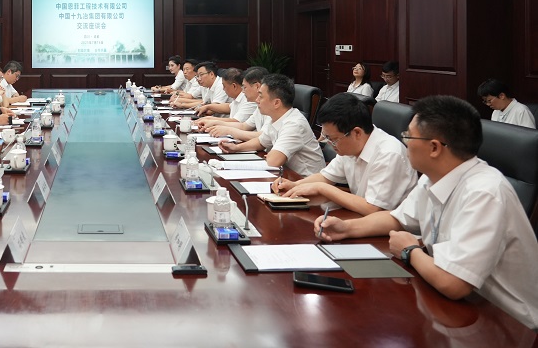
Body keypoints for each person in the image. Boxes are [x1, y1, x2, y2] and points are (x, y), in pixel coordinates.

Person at [316, 95, 538, 331]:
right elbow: (396, 218)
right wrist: (346, 228)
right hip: (453, 307)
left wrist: (409, 251)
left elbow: (454, 283)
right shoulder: (433, 177)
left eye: (408, 136)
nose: (404, 142)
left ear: (434, 147)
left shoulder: (485, 193)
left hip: (506, 324)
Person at [274, 92, 417, 215]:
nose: (329, 143)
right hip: (360, 219)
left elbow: (372, 208)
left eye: (333, 139)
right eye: (326, 137)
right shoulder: (351, 147)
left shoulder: (389, 154)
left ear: (357, 133)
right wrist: (294, 185)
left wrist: (322, 189)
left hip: (392, 232)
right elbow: (325, 177)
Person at [219, 74, 325, 177]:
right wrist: (236, 148)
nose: (257, 100)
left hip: (304, 180)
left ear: (276, 103)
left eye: (260, 96)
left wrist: (272, 155)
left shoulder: (294, 124)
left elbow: (273, 161)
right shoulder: (275, 117)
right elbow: (261, 142)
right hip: (286, 175)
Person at [209, 66, 269, 139]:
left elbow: (263, 137)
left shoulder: (267, 106)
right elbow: (244, 126)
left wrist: (229, 131)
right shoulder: (258, 105)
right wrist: (216, 122)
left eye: (244, 87)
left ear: (257, 86)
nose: (243, 91)